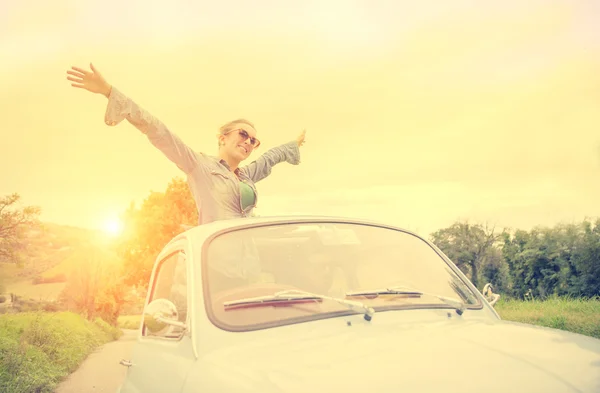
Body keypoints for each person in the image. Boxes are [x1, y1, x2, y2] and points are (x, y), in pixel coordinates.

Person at [66, 63, 307, 226]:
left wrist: (292, 145)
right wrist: (109, 92)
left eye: (254, 141)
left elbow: (270, 158)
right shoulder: (199, 166)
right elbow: (159, 130)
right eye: (243, 134)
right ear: (223, 137)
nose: (248, 142)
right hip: (217, 264)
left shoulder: (247, 176)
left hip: (248, 258)